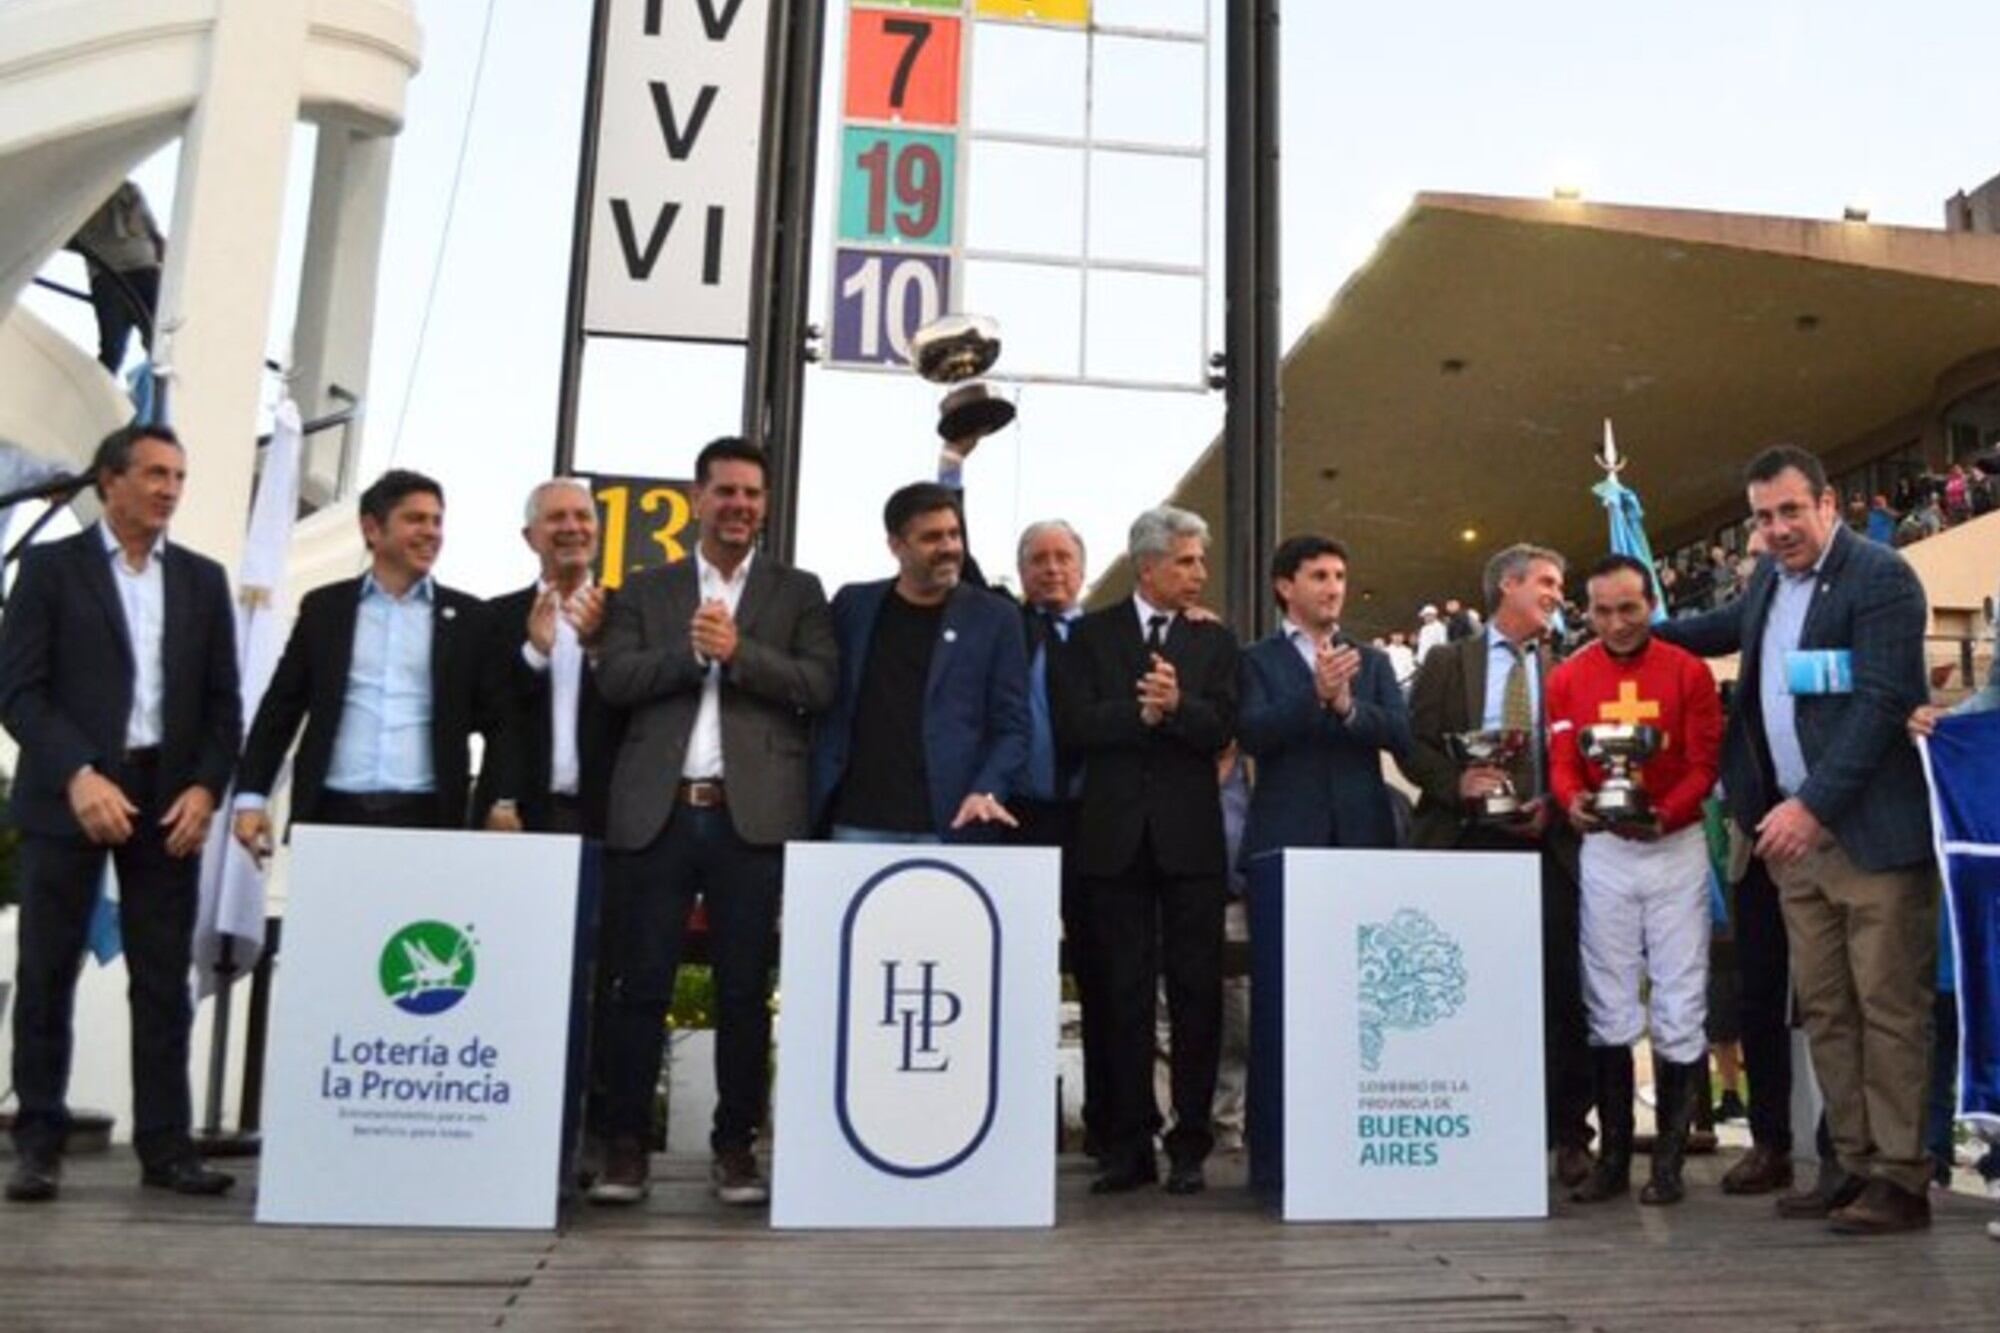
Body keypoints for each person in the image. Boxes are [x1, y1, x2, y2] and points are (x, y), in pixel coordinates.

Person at [1658, 444, 1937, 1235]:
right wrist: (1631, 628)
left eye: (1789, 511)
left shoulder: (1881, 577)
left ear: (1829, 505)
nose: (1777, 528)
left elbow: (1883, 701)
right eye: (1762, 516)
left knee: (1888, 1006)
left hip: (1866, 834)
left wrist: (1811, 805)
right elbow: (1710, 630)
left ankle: (1901, 1176)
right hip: (1791, 840)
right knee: (1826, 1009)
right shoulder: (1767, 585)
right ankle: (1848, 1164)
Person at [586, 438, 837, 1207]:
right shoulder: (646, 587)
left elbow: (821, 684)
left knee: (741, 990)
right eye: (726, 492)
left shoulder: (798, 591)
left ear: (765, 505)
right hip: (657, 815)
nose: (740, 507)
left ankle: (736, 1147)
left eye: (752, 495)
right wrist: (692, 657)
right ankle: (625, 1148)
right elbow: (615, 678)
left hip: (750, 821)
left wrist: (741, 652)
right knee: (638, 987)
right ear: (699, 498)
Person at [0, 424, 240, 1202]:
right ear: (110, 481)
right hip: (71, 795)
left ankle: (167, 1148)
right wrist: (76, 772)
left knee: (165, 980)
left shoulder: (203, 581)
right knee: (47, 973)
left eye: (179, 474)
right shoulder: (48, 570)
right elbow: (18, 691)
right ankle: (37, 1141)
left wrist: (206, 789)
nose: (170, 488)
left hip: (168, 800)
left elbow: (222, 706)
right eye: (155, 473)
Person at [1054, 505, 1239, 1196]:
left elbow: (1224, 723)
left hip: (1190, 841)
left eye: (1200, 561)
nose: (1198, 574)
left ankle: (1190, 1142)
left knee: (1196, 993)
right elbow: (1075, 723)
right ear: (1148, 565)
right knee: (1118, 995)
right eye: (1186, 561)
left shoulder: (1213, 641)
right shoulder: (1092, 635)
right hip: (1113, 839)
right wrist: (1144, 713)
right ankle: (1126, 1143)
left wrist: (1178, 707)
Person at [1401, 543, 1597, 1189]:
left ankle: (1571, 1134)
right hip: (1464, 846)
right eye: (1545, 581)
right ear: (1507, 584)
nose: (1555, 593)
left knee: (1563, 990)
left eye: (1559, 583)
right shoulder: (1445, 660)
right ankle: (1476, 1123)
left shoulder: (1566, 665)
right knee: (1466, 993)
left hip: (1548, 846)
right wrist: (1457, 781)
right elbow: (1415, 744)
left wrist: (1560, 804)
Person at [1547, 554, 1725, 1206]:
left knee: (1681, 996)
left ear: (1651, 602)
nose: (1617, 622)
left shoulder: (1688, 671)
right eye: (1603, 610)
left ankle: (1670, 1162)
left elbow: (1705, 764)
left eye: (1629, 607)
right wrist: (1572, 801)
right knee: (1609, 998)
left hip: (1673, 846)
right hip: (1604, 850)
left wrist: (1665, 813)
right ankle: (1614, 1158)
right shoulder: (1568, 678)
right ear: (1586, 611)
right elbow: (1564, 761)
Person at [233, 470, 495, 851]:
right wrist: (252, 797)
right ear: (372, 529)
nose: (431, 532)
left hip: (426, 816)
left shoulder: (470, 618)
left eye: (437, 521)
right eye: (415, 519)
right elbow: (281, 707)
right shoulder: (324, 609)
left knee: (415, 914)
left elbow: (498, 716)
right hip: (331, 811)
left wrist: (501, 801)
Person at [812, 482, 1028, 842]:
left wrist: (987, 791)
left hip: (952, 823)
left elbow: (1013, 726)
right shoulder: (853, 606)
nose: (948, 548)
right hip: (858, 822)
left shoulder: (996, 618)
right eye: (931, 538)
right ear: (896, 545)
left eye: (954, 534)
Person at [1238, 534, 1410, 859]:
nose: (1334, 589)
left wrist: (1349, 709)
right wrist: (1314, 694)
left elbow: (1402, 735)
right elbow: (1251, 734)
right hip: (1284, 837)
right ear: (1285, 587)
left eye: (1340, 577)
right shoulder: (1253, 660)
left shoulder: (1372, 660)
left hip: (1365, 838)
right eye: (1320, 577)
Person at [477, 479, 615, 836]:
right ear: (530, 537)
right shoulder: (496, 617)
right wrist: (534, 654)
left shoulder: (628, 612)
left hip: (609, 818)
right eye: (556, 517)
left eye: (582, 516)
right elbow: (489, 713)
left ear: (597, 530)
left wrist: (599, 649)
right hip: (519, 817)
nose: (572, 528)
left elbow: (636, 709)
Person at [66, 181, 164, 373]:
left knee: (114, 352)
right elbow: (154, 234)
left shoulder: (76, 194)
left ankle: (101, 392)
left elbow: (61, 238)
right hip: (133, 270)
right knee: (157, 346)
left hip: (114, 275)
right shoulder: (125, 187)